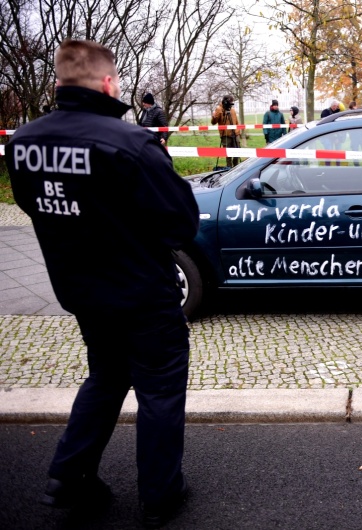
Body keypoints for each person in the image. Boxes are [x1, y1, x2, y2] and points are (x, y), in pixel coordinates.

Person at [6, 39, 199, 528]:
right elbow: (180, 223)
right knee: (159, 389)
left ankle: (67, 477)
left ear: (58, 82)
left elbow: (35, 206)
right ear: (109, 82)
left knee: (107, 376)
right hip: (142, 294)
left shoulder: (24, 141)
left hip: (82, 292)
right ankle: (160, 495)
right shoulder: (131, 143)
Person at [211, 94, 240, 167]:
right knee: (228, 154)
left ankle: (236, 166)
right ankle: (229, 168)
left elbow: (236, 122)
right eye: (230, 102)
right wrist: (214, 117)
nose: (231, 104)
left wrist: (238, 131)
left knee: (237, 152)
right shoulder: (219, 109)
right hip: (225, 135)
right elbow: (213, 122)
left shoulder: (232, 110)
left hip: (235, 134)